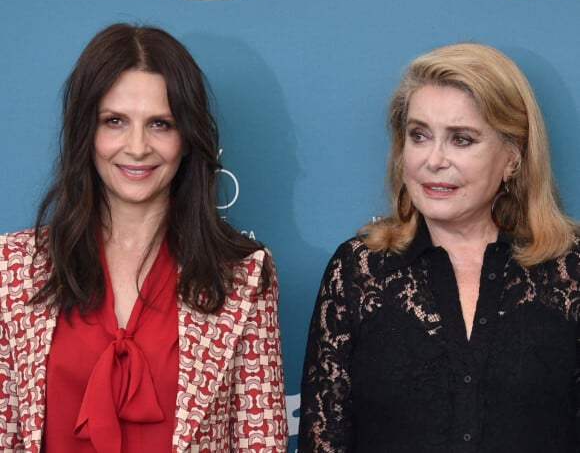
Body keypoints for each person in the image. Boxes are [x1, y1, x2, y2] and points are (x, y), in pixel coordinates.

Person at [0, 23, 288, 452]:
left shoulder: (243, 277)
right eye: (114, 121)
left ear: (187, 139)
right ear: (86, 132)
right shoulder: (14, 267)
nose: (137, 147)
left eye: (160, 124)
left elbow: (259, 444)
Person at [298, 42, 580, 452]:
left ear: (512, 158)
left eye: (461, 139)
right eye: (419, 136)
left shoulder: (570, 270)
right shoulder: (358, 271)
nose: (434, 159)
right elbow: (323, 442)